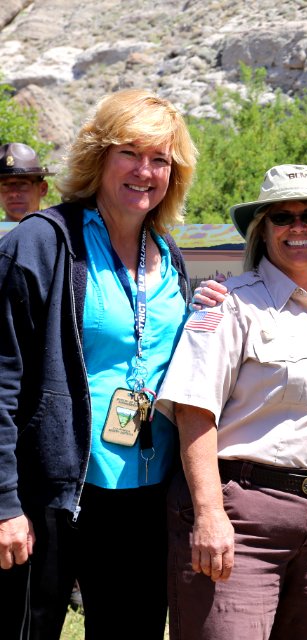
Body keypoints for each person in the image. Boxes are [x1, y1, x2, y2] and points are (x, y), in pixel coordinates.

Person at [0, 89, 197, 640]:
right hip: (54, 493)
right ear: (98, 157)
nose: (145, 171)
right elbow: (2, 382)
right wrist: (4, 504)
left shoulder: (168, 254)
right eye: (129, 153)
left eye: (160, 158)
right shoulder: (42, 244)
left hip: (145, 491)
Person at [157, 164, 307, 640]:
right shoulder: (228, 305)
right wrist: (210, 514)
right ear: (262, 229)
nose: (299, 227)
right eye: (282, 217)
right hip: (244, 516)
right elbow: (194, 411)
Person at [0, 142, 53, 222]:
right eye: (5, 185)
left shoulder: (59, 233)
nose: (13, 193)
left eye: (22, 184)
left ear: (43, 189)